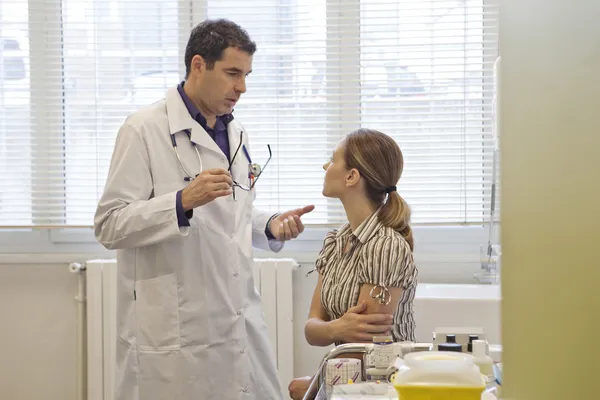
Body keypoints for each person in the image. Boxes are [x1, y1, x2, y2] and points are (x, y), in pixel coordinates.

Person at [94, 19, 314, 400]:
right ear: (198, 65)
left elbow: (232, 218)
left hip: (235, 318)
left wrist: (271, 226)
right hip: (174, 329)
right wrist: (181, 202)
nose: (241, 87)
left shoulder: (236, 132)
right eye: (232, 73)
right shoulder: (143, 129)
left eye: (246, 75)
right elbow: (110, 225)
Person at [288, 128, 418, 400]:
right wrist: (337, 329)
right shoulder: (336, 241)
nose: (326, 166)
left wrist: (317, 385)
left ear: (351, 176)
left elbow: (365, 348)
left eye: (333, 159)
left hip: (384, 386)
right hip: (349, 379)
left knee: (298, 390)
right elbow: (312, 329)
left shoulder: (385, 246)